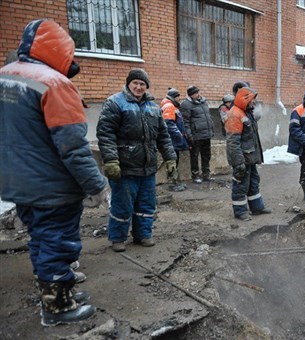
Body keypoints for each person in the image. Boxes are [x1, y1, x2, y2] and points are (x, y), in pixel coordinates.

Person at [0, 19, 106, 326]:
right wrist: (96, 186)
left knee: (40, 238)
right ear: (61, 50)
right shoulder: (55, 84)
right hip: (51, 185)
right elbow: (73, 147)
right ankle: (58, 308)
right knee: (58, 242)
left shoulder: (5, 76)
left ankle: (58, 292)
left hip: (16, 182)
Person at [97, 68, 177, 252]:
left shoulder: (153, 107)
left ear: (146, 87)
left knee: (146, 203)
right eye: (135, 83)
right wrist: (111, 160)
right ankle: (117, 238)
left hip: (147, 166)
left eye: (142, 84)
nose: (139, 87)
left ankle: (143, 235)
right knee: (123, 204)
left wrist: (170, 158)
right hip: (124, 166)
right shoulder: (115, 103)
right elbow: (105, 133)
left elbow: (163, 136)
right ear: (128, 83)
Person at [224, 86, 271, 221]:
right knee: (241, 184)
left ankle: (257, 207)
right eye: (251, 100)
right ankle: (240, 211)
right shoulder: (235, 114)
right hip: (243, 158)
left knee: (253, 182)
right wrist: (238, 163)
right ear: (245, 100)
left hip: (249, 157)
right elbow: (233, 142)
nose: (253, 103)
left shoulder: (246, 112)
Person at [180, 85, 214, 183]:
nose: (198, 95)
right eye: (195, 93)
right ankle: (195, 175)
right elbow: (185, 122)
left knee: (206, 156)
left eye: (198, 92)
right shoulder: (186, 105)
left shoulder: (204, 102)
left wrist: (211, 130)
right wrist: (189, 135)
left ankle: (206, 174)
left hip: (206, 134)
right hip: (195, 136)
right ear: (190, 95)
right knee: (194, 156)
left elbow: (209, 117)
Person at [161, 88, 189, 191]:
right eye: (178, 96)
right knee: (172, 161)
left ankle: (175, 181)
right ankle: (172, 184)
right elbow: (169, 123)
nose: (179, 98)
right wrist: (179, 135)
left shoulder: (172, 106)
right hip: (172, 140)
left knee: (175, 161)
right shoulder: (169, 106)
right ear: (174, 97)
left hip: (174, 140)